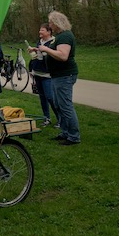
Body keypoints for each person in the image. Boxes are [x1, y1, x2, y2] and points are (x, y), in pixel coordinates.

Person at [37, 11, 80, 146]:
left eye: (50, 22)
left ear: (57, 23)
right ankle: (65, 132)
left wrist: (46, 49)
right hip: (57, 76)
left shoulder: (65, 36)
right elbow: (54, 52)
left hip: (65, 75)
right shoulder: (59, 36)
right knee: (58, 104)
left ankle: (73, 136)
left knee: (65, 106)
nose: (50, 25)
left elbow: (63, 56)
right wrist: (38, 49)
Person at [28, 23, 59, 127]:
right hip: (37, 73)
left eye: (42, 30)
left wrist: (43, 53)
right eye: (39, 30)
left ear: (49, 32)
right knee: (42, 97)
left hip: (47, 75)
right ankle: (47, 118)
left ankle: (60, 119)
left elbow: (52, 56)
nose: (40, 32)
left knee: (50, 97)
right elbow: (38, 56)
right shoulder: (40, 42)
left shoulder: (53, 42)